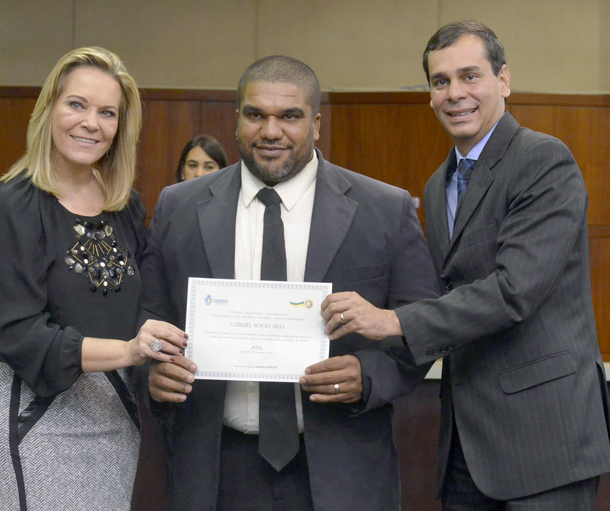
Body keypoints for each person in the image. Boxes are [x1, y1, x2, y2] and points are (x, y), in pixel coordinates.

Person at [322, 21, 610, 509]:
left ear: (503, 80)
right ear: (430, 96)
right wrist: (365, 365)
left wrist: (393, 320)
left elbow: (513, 292)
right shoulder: (438, 184)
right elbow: (440, 298)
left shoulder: (543, 160)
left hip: (545, 441)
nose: (455, 93)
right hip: (466, 445)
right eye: (440, 81)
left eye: (469, 76)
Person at [138, 55, 440, 510]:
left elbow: (423, 326)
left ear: (315, 125)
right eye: (255, 115)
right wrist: (154, 371)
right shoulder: (178, 207)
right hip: (216, 470)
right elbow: (148, 318)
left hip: (343, 471)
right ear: (237, 120)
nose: (271, 131)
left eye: (290, 116)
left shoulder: (384, 209)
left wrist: (368, 376)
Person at [0, 47, 186, 511]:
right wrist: (127, 351)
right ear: (49, 109)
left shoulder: (126, 206)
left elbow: (142, 307)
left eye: (107, 112)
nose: (91, 123)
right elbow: (19, 332)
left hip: (112, 412)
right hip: (28, 414)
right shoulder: (15, 203)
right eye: (77, 105)